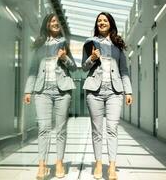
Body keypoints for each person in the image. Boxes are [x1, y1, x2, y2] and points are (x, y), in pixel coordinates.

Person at [24, 13, 77, 179]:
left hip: (62, 92)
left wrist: (64, 58)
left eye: (58, 22)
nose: (56, 23)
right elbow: (33, 69)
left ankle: (59, 163)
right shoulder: (39, 45)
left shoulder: (64, 44)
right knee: (44, 128)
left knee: (61, 129)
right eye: (53, 21)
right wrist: (28, 90)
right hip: (42, 91)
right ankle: (42, 165)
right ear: (47, 24)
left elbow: (74, 67)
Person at [82, 12, 133, 180]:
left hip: (114, 92)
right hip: (94, 92)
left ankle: (111, 166)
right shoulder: (90, 43)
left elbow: (124, 70)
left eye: (105, 20)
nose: (101, 23)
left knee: (112, 129)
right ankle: (98, 163)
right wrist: (92, 58)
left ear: (110, 23)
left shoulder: (117, 45)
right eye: (99, 21)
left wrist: (128, 91)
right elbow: (83, 67)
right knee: (97, 130)